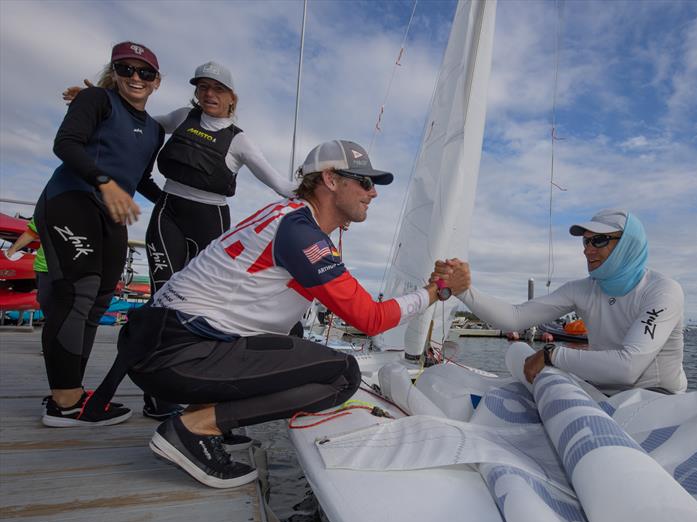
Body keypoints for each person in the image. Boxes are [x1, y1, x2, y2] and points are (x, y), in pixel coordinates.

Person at [85, 140, 447, 488]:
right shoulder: (300, 233)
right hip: (176, 353)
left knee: (294, 341)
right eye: (365, 182)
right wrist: (434, 291)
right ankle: (193, 428)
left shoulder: (287, 218)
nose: (373, 192)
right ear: (331, 180)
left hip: (160, 344)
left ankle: (206, 416)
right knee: (342, 375)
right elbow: (369, 319)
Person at [65, 61, 296, 421]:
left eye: (217, 89)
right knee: (161, 302)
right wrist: (97, 104)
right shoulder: (180, 117)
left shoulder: (240, 140)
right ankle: (157, 396)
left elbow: (282, 186)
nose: (208, 95)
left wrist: (327, 184)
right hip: (168, 214)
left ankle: (198, 387)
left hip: (211, 222)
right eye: (203, 87)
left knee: (202, 308)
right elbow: (132, 125)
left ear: (232, 97)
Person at [33, 41, 165, 427]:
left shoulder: (154, 129)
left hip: (113, 213)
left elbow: (140, 178)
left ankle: (71, 391)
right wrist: (103, 182)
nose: (135, 78)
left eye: (145, 72)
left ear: (157, 81)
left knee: (99, 303)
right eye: (126, 69)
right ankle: (64, 403)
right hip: (72, 199)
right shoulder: (95, 100)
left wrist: (173, 204)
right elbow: (66, 144)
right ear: (115, 73)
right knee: (76, 294)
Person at [435, 208, 687, 394]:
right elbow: (514, 317)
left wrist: (550, 355)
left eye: (599, 240)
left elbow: (628, 367)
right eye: (586, 241)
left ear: (629, 244)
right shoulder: (582, 289)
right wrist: (464, 291)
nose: (587, 249)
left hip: (657, 399)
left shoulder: (662, 291)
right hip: (602, 395)